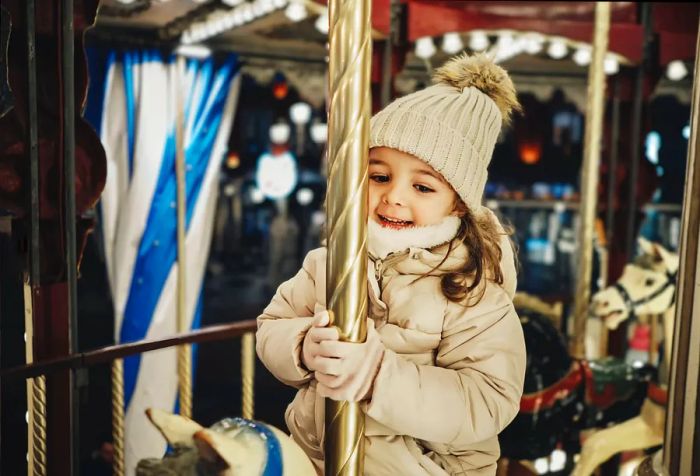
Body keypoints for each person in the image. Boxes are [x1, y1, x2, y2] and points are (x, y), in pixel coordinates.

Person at [256, 53, 526, 475]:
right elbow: (271, 325)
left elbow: (488, 398)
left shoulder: (473, 291)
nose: (395, 197)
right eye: (380, 177)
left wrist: (380, 376)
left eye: (422, 186)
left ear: (458, 201)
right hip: (318, 456)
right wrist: (302, 346)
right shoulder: (330, 261)